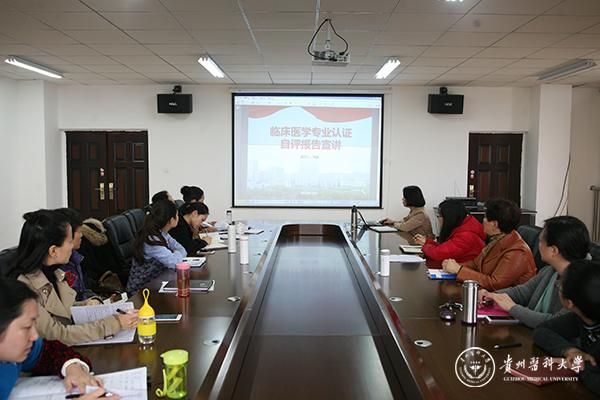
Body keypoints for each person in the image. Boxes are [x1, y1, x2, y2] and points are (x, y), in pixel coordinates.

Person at [8, 210, 138, 346]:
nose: (72, 247)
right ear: (53, 250)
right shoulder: (24, 289)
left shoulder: (54, 273)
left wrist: (86, 305)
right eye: (70, 241)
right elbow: (57, 335)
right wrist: (114, 324)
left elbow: (61, 311)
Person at [0, 278, 115, 399]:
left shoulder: (16, 351)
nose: (35, 336)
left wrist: (72, 367)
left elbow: (47, 352)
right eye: (27, 327)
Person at [479, 216, 591, 328]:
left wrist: (512, 308)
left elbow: (557, 323)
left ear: (553, 250)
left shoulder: (582, 285)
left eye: (541, 241)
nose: (539, 245)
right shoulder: (550, 271)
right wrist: (492, 296)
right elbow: (522, 293)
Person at [533, 259, 600, 396]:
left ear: (569, 303)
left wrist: (578, 364)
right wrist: (571, 351)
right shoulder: (581, 316)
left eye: (560, 286)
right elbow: (542, 330)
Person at [442, 198, 536, 291]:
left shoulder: (517, 252)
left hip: (503, 297)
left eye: (485, 218)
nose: (483, 220)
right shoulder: (497, 238)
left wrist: (459, 270)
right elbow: (476, 264)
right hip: (486, 293)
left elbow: (495, 283)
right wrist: (455, 265)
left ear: (494, 224)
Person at [128, 200, 186, 293]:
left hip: (156, 282)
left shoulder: (162, 233)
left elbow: (182, 249)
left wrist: (176, 253)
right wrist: (176, 252)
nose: (179, 217)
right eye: (177, 215)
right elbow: (175, 263)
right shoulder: (152, 239)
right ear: (172, 220)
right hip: (142, 291)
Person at [414, 200, 485, 263]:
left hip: (459, 269)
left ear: (449, 217)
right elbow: (446, 247)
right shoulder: (464, 226)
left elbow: (439, 253)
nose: (438, 219)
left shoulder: (466, 235)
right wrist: (426, 242)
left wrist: (425, 246)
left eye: (440, 215)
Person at [55, 208, 98, 302]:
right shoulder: (56, 266)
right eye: (79, 231)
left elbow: (82, 291)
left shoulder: (75, 257)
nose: (82, 235)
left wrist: (96, 300)